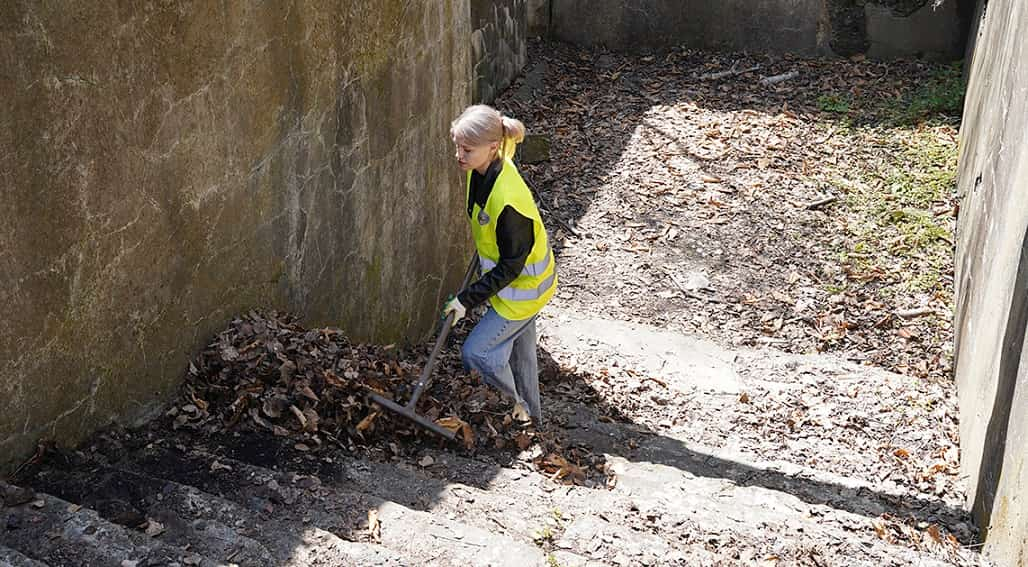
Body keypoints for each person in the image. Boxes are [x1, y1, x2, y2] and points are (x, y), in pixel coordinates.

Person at [442, 104, 557, 425]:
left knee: (478, 354)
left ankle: (515, 413)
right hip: (513, 287)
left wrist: (466, 300)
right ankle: (533, 422)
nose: (459, 155)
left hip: (524, 291)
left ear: (493, 147)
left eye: (467, 149)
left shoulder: (508, 200)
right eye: (457, 147)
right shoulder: (482, 170)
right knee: (522, 359)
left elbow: (511, 266)